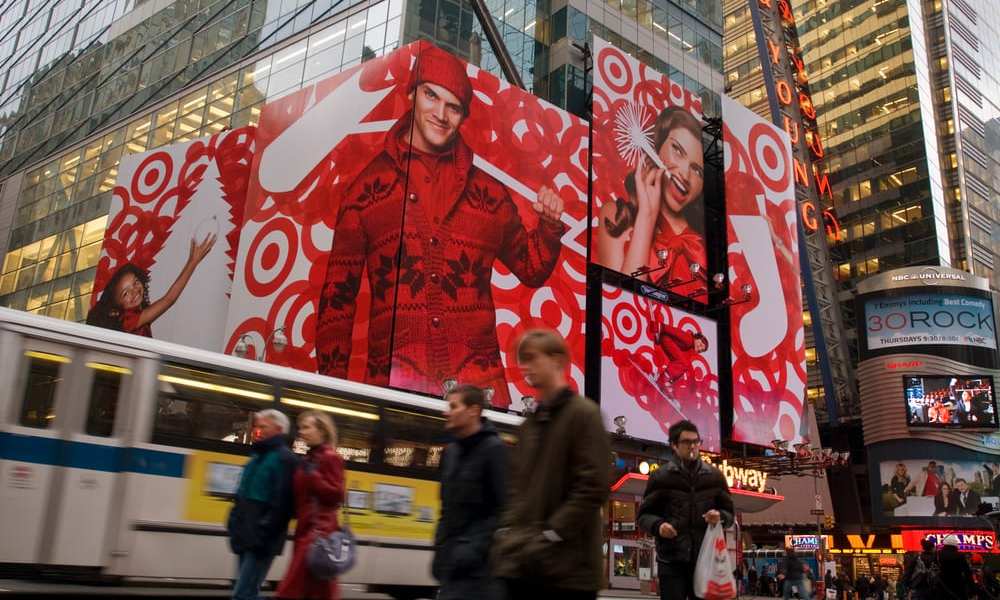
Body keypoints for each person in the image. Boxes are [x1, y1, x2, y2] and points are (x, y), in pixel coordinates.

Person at [315, 45, 567, 410]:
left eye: (453, 106)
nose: (441, 114)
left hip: (480, 398)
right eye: (431, 95)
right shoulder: (366, 191)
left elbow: (531, 268)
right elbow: (337, 302)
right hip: (394, 393)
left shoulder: (489, 194)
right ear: (411, 94)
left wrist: (548, 225)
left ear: (463, 116)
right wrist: (332, 393)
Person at [492, 329, 612, 599]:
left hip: (569, 574)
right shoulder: (529, 425)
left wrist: (552, 534)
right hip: (524, 566)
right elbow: (517, 490)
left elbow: (593, 486)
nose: (524, 366)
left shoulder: (584, 415)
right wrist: (508, 534)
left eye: (532, 358)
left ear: (557, 360)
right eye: (522, 359)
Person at [596, 106, 706, 298]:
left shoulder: (702, 241)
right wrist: (647, 217)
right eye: (678, 150)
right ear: (657, 147)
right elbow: (621, 303)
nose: (686, 176)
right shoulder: (616, 216)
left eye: (697, 170)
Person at [637, 419, 735, 600]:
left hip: (705, 560)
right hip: (672, 560)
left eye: (696, 441)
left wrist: (719, 516)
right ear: (674, 445)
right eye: (686, 442)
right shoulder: (661, 476)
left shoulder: (714, 476)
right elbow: (643, 516)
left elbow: (730, 514)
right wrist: (659, 526)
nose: (692, 446)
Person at [432, 384, 507, 600]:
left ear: (473, 410)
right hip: (451, 568)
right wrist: (441, 547)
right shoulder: (451, 452)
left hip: (481, 574)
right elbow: (446, 508)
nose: (446, 412)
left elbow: (502, 510)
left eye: (454, 406)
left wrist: (472, 550)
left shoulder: (494, 449)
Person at [227, 410, 297, 600]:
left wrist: (264, 530)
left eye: (264, 427)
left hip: (261, 538)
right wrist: (234, 521)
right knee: (247, 593)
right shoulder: (257, 456)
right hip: (245, 534)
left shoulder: (285, 459)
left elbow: (283, 503)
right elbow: (242, 494)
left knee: (242, 594)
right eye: (257, 426)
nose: (258, 430)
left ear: (279, 429)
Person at [86, 234, 216, 336]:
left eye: (136, 282)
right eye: (125, 293)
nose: (135, 291)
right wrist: (193, 262)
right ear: (115, 306)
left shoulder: (137, 315)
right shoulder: (128, 320)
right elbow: (169, 300)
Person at [276, 411, 345, 600]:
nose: (301, 432)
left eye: (307, 427)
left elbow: (337, 494)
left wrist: (314, 477)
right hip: (305, 529)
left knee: (291, 589)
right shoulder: (307, 459)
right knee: (315, 590)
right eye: (300, 428)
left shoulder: (331, 457)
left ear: (322, 431)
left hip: (319, 532)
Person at [649, 321, 709, 388]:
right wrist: (661, 327)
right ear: (696, 338)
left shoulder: (689, 350)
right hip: (667, 339)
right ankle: (662, 379)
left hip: (669, 343)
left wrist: (672, 381)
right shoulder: (689, 339)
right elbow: (676, 332)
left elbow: (684, 367)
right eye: (700, 344)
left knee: (686, 364)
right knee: (683, 362)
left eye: (701, 350)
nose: (699, 348)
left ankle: (665, 380)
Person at [938, 535, 974, 600]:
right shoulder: (960, 556)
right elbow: (967, 573)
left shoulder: (938, 554)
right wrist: (972, 590)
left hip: (941, 588)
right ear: (955, 544)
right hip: (958, 588)